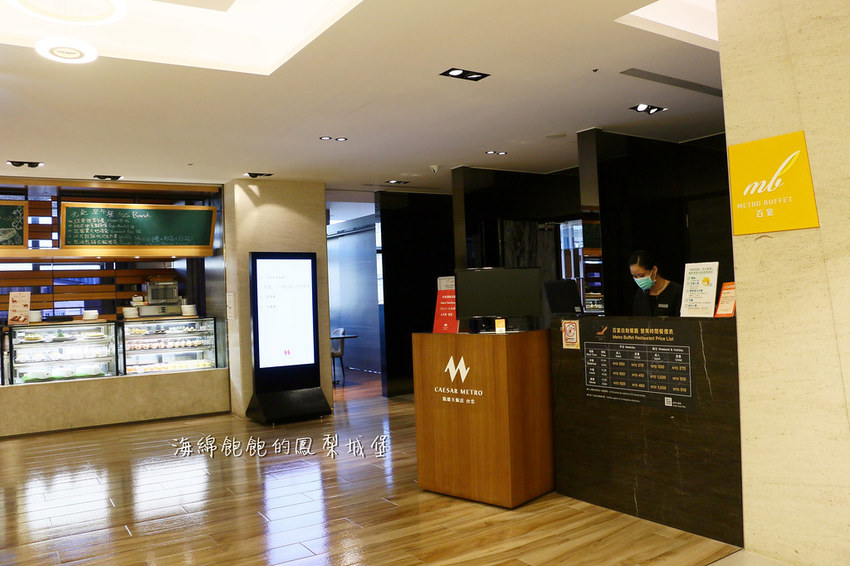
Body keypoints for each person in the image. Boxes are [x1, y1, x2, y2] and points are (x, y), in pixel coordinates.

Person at [629, 250, 682, 316]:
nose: (638, 279)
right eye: (635, 276)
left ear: (654, 270)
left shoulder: (676, 291)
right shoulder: (640, 294)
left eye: (641, 275)